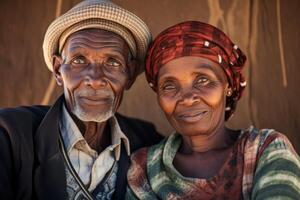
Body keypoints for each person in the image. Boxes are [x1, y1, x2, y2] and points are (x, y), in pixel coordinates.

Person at [0, 0, 162, 199]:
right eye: (78, 60)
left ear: (129, 74)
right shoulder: (9, 136)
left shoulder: (147, 143)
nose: (94, 79)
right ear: (58, 70)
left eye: (112, 62)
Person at [126, 21, 300, 199]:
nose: (187, 98)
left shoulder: (265, 150)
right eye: (169, 86)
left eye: (202, 80)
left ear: (228, 86)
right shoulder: (145, 168)